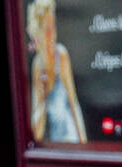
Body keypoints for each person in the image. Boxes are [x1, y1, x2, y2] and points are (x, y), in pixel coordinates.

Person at [26, 0, 87, 143]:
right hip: (56, 143)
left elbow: (74, 103)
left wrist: (84, 143)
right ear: (38, 32)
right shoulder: (37, 65)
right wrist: (44, 94)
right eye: (47, 29)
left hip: (72, 138)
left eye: (53, 27)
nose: (52, 34)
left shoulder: (61, 55)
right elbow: (37, 129)